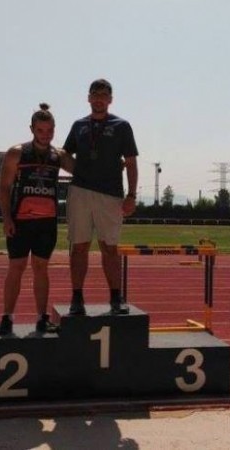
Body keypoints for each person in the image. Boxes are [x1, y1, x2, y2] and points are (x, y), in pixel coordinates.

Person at [0, 104, 74, 335]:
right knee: (16, 268)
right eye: (41, 130)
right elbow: (4, 188)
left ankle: (42, 318)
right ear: (32, 129)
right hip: (20, 221)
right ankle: (7, 318)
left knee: (41, 269)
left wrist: (109, 167)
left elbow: (84, 171)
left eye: (49, 130)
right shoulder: (16, 153)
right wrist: (6, 218)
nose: (45, 135)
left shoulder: (58, 156)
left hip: (47, 223)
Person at [63, 79, 139, 315]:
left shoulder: (121, 126)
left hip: (111, 195)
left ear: (110, 99)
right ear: (88, 98)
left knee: (109, 248)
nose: (99, 99)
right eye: (95, 94)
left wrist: (132, 195)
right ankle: (77, 298)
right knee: (79, 247)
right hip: (80, 193)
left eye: (104, 95)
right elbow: (65, 154)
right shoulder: (78, 126)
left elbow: (131, 163)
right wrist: (82, 170)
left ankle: (116, 298)